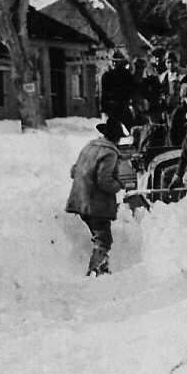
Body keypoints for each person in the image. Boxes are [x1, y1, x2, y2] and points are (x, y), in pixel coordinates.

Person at [65, 118, 129, 276]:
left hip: (79, 201)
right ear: (117, 139)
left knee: (99, 236)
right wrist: (118, 185)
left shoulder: (90, 146)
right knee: (103, 240)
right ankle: (95, 273)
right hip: (95, 204)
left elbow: (74, 171)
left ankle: (100, 269)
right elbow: (104, 180)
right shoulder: (110, 153)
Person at [99, 52, 135, 129]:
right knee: (129, 126)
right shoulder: (127, 75)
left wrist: (104, 108)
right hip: (120, 105)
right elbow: (104, 92)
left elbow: (104, 93)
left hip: (116, 105)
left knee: (116, 127)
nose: (115, 63)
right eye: (115, 61)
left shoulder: (108, 75)